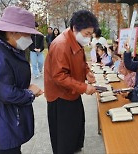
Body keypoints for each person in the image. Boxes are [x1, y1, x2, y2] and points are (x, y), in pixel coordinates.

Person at [0, 6, 43, 154]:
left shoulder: (10, 48)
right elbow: (6, 93)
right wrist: (29, 93)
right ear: (12, 32)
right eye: (28, 34)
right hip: (3, 121)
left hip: (12, 117)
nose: (30, 39)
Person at [44, 10, 99, 154]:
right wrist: (83, 87)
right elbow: (59, 76)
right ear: (75, 28)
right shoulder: (60, 45)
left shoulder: (76, 40)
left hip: (72, 92)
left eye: (90, 34)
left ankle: (74, 148)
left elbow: (81, 62)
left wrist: (87, 72)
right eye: (87, 34)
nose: (88, 38)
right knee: (64, 134)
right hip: (60, 96)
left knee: (76, 125)